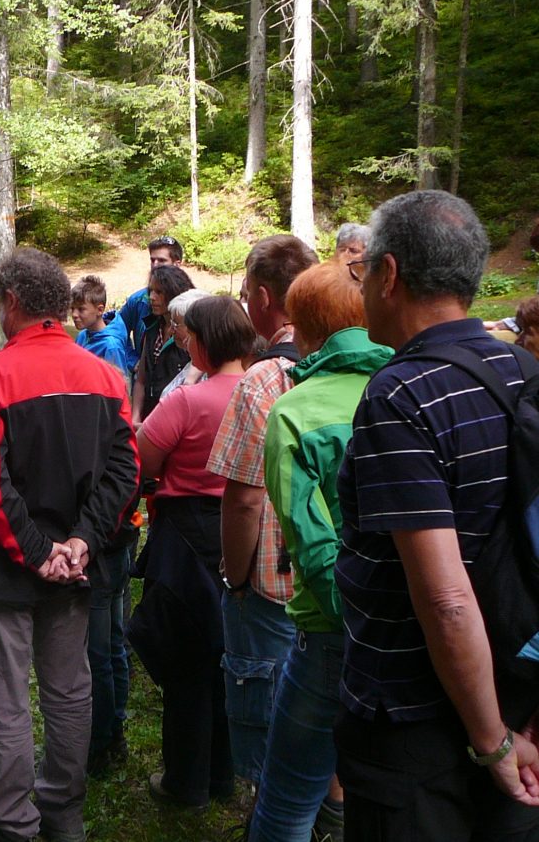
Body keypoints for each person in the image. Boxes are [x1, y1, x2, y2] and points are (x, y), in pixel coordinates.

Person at [336, 190, 539, 840]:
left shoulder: (401, 395)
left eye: (363, 270)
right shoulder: (526, 371)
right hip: (519, 691)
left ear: (389, 275)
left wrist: (492, 743)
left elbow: (446, 597)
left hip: (415, 727)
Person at [0, 247, 139, 842]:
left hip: (6, 568)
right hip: (75, 564)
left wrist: (37, 550)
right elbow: (126, 469)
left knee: (4, 695)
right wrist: (81, 543)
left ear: (13, 303)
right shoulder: (104, 374)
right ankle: (64, 815)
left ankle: (11, 823)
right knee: (70, 689)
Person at [248, 264, 391, 842]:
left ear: (302, 327)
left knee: (286, 799)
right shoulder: (409, 386)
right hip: (420, 624)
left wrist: (347, 621)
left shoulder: (294, 410)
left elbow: (311, 544)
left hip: (334, 630)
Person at [132, 295, 256, 811]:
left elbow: (142, 462)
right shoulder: (266, 392)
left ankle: (186, 782)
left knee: (185, 666)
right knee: (228, 657)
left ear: (201, 343)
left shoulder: (186, 401)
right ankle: (225, 775)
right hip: (244, 537)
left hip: (183, 539)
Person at [208, 234, 318, 792]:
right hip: (337, 584)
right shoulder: (361, 366)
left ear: (268, 298)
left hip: (273, 586)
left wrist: (236, 574)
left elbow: (244, 497)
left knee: (270, 722)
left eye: (248, 292)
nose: (245, 303)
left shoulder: (264, 380)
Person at [131, 264, 196, 426]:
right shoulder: (152, 328)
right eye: (150, 291)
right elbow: (141, 380)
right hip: (147, 420)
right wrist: (135, 418)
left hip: (175, 422)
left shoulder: (190, 334)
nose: (151, 297)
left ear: (175, 292)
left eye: (159, 292)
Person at [115, 235, 186, 365]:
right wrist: (132, 360)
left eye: (161, 260)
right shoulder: (138, 301)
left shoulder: (191, 305)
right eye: (152, 260)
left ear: (177, 264)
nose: (155, 265)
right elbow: (116, 331)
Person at [70, 274, 130, 378]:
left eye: (81, 309)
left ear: (100, 310)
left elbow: (119, 385)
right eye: (72, 308)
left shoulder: (111, 346)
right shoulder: (82, 336)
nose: (74, 314)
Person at [160, 288, 212, 400]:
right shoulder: (191, 361)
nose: (170, 331)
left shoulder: (208, 373)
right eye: (171, 323)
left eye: (176, 324)